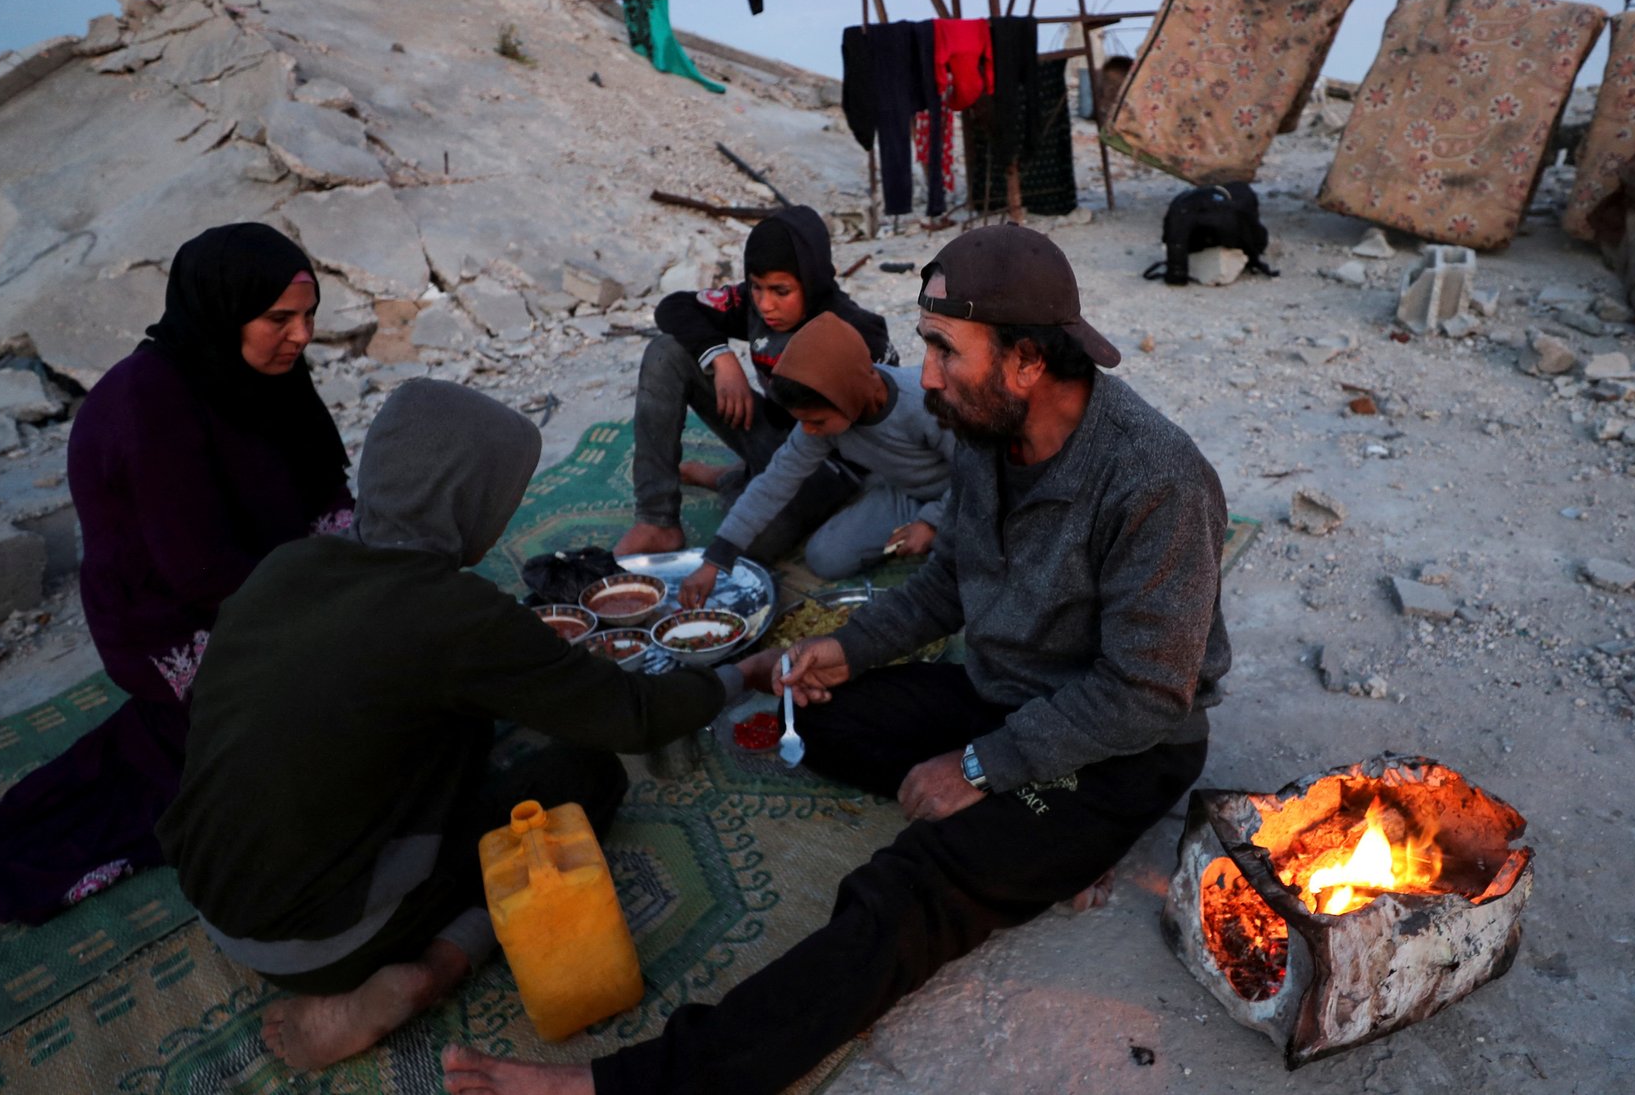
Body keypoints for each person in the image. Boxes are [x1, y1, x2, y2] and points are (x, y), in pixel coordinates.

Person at [439, 224, 1232, 1095]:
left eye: (943, 350)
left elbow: (1148, 690)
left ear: (1028, 362)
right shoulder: (982, 431)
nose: (924, 375)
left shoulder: (1155, 478)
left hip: (1124, 738)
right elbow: (948, 584)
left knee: (907, 885)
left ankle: (634, 1083)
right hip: (1006, 688)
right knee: (819, 720)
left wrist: (981, 765)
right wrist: (845, 649)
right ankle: (1033, 833)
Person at [157, 380, 740, 1071]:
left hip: (213, 895)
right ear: (469, 499)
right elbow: (633, 716)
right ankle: (434, 965)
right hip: (320, 938)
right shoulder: (453, 612)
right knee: (582, 773)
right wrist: (735, 676)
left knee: (447, 723)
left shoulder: (291, 563)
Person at [0, 223, 354, 925]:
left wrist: (362, 572)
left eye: (309, 316)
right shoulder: (150, 403)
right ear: (224, 311)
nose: (302, 336)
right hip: (165, 618)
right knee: (314, 736)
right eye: (279, 318)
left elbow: (322, 492)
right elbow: (198, 570)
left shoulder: (265, 376)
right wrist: (329, 608)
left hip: (259, 574)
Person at [615, 205, 892, 560]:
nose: (765, 304)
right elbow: (673, 307)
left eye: (781, 291)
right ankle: (657, 521)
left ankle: (736, 480)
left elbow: (889, 420)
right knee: (666, 351)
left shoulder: (855, 329)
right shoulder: (753, 303)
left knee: (754, 545)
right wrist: (722, 358)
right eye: (757, 287)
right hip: (774, 434)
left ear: (813, 279)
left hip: (828, 465)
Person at [676, 311, 953, 606]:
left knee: (951, 575)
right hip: (906, 492)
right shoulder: (820, 422)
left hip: (969, 493)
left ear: (849, 394)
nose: (808, 431)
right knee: (826, 558)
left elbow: (981, 473)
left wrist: (932, 522)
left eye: (817, 421)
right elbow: (776, 481)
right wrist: (715, 560)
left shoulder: (927, 402)